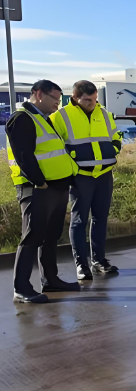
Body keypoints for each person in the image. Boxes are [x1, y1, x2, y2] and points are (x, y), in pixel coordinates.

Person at [6, 80, 80, 303]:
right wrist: (40, 183)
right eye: (54, 99)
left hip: (56, 188)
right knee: (32, 236)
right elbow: (24, 156)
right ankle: (21, 288)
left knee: (50, 236)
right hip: (38, 189)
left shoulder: (42, 119)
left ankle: (50, 279)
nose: (57, 104)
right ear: (38, 94)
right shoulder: (22, 119)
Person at [51, 80, 123, 280]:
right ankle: (82, 265)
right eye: (87, 100)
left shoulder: (104, 113)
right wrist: (71, 167)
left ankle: (98, 261)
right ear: (75, 98)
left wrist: (114, 149)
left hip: (104, 175)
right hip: (80, 177)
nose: (92, 103)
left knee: (100, 219)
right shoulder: (61, 116)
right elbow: (54, 146)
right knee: (80, 221)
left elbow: (116, 137)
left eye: (94, 99)